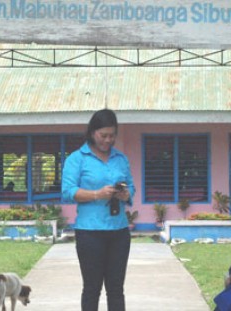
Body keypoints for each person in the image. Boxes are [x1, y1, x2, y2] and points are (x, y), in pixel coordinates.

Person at [62, 108, 135, 311]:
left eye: (112, 136)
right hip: (89, 233)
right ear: (92, 132)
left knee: (116, 289)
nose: (108, 140)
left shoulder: (121, 159)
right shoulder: (77, 159)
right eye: (103, 135)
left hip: (119, 232)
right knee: (92, 288)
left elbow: (132, 186)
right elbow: (68, 191)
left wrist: (126, 195)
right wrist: (97, 194)